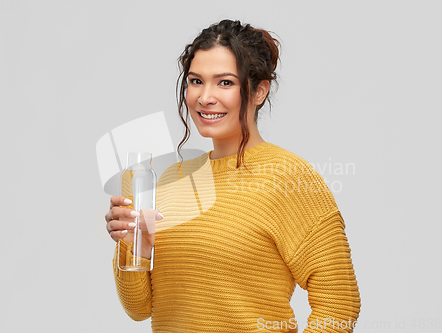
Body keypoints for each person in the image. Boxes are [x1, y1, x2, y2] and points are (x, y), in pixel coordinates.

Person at [104, 19, 361, 332]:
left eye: (224, 82)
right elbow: (140, 309)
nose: (205, 97)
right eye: (196, 81)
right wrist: (134, 247)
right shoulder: (173, 179)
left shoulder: (288, 176)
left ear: (259, 91)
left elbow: (340, 302)